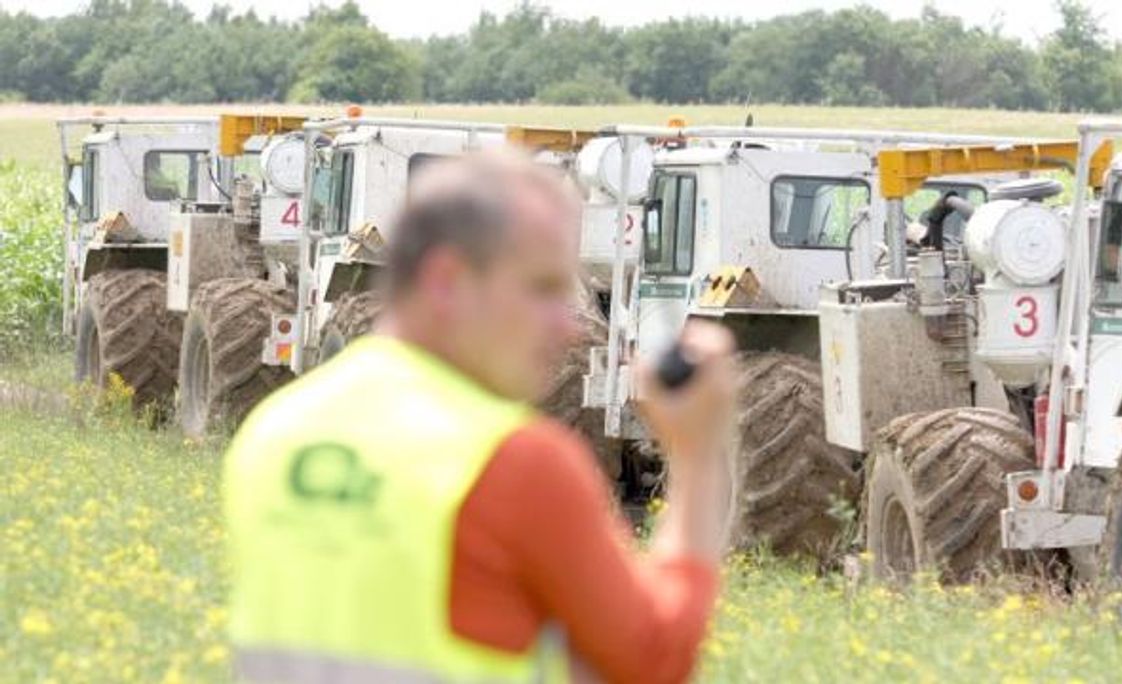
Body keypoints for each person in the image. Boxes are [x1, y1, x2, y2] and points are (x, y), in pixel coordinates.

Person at [224, 149, 737, 683]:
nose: (572, 327)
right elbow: (654, 659)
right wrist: (697, 454)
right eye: (543, 289)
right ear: (447, 280)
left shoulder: (274, 433)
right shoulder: (513, 464)